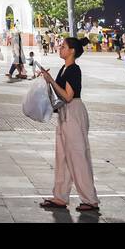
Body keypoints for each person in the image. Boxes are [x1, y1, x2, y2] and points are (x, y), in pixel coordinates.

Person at [38, 37, 99, 212]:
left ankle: (90, 199)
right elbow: (57, 93)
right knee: (62, 156)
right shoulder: (64, 68)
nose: (59, 48)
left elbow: (67, 95)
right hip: (65, 113)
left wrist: (51, 80)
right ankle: (60, 197)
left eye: (63, 46)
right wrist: (46, 80)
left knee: (77, 157)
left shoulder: (74, 70)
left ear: (72, 51)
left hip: (74, 112)